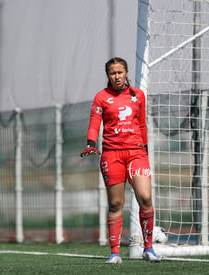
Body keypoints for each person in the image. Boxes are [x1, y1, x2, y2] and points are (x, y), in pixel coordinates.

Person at [80, 57, 161, 264]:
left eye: (120, 72)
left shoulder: (138, 95)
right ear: (108, 75)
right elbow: (94, 123)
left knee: (145, 198)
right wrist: (91, 144)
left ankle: (149, 248)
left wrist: (144, 151)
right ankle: (115, 252)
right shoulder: (101, 97)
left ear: (126, 73)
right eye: (112, 73)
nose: (116, 76)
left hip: (136, 153)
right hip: (112, 155)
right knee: (116, 203)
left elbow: (142, 125)